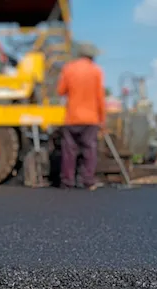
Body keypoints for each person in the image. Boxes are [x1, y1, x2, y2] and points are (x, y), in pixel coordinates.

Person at [56, 42, 106, 190]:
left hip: (72, 117)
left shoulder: (68, 69)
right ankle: (88, 181)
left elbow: (61, 91)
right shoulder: (96, 71)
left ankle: (67, 181)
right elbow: (100, 97)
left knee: (69, 150)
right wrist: (102, 119)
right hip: (91, 118)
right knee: (89, 149)